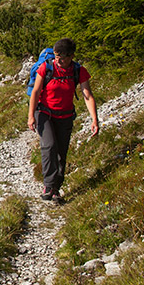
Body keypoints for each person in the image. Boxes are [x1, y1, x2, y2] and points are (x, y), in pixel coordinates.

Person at [27, 38, 99, 203]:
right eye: (57, 56)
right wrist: (31, 116)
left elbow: (87, 95)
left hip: (65, 116)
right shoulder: (47, 67)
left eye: (62, 57)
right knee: (49, 146)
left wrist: (94, 119)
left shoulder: (78, 71)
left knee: (61, 153)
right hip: (44, 113)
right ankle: (48, 185)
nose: (58, 60)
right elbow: (36, 91)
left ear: (72, 56)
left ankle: (56, 189)